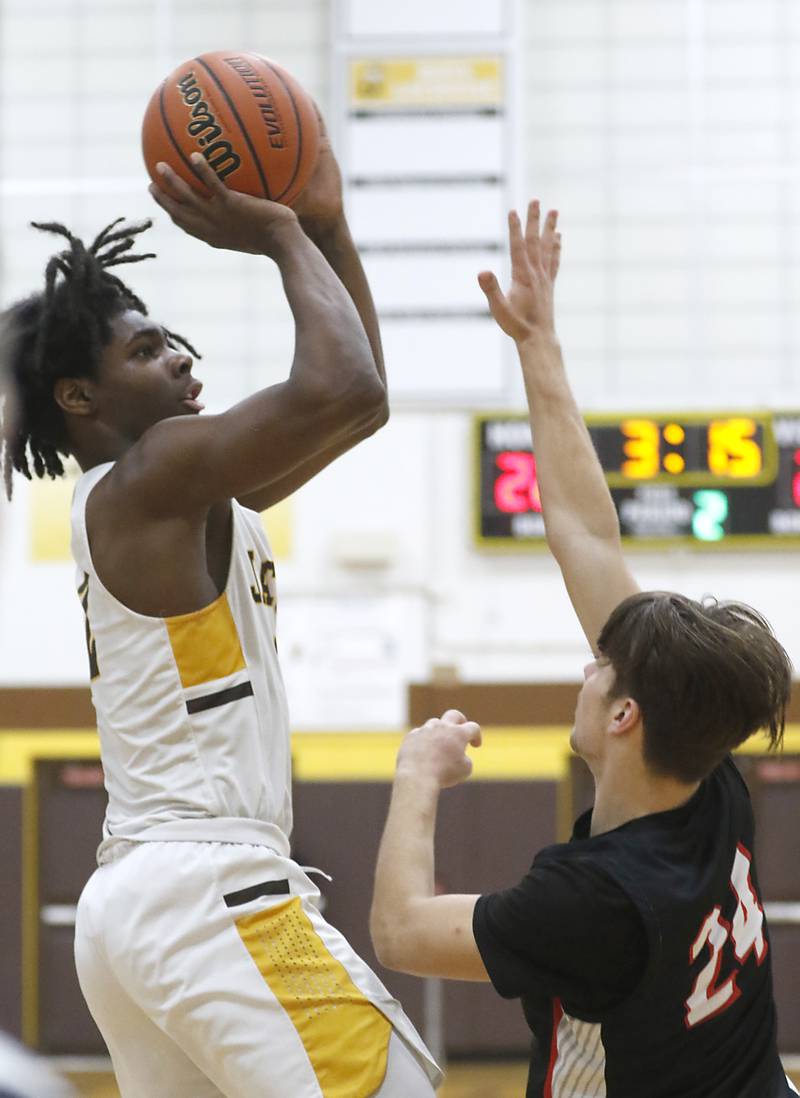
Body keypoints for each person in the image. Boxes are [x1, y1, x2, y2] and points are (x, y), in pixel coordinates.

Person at [0, 122, 439, 1096]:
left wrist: (327, 232)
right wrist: (283, 232)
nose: (186, 364)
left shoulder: (169, 499)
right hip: (210, 894)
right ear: (79, 395)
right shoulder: (152, 472)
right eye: (151, 351)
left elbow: (360, 408)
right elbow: (344, 379)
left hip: (138, 905)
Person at [369, 201, 799, 1098]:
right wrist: (537, 344)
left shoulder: (591, 899)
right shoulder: (711, 778)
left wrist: (415, 774)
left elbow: (402, 932)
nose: (585, 663)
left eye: (600, 666)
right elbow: (587, 535)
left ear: (625, 715)